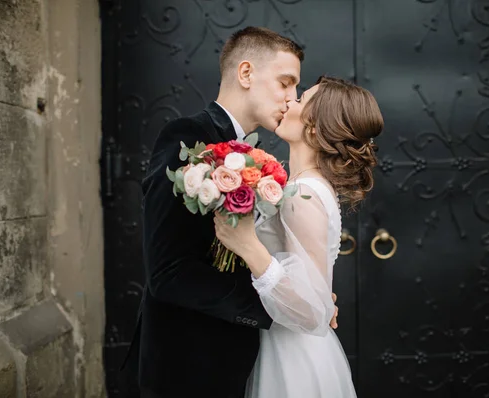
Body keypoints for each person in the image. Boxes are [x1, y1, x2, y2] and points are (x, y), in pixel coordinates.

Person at [119, 27, 337, 398]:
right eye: (285, 83)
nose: (292, 97)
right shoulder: (187, 138)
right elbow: (170, 273)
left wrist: (304, 297)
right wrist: (280, 308)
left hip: (233, 365)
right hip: (186, 367)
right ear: (246, 73)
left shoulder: (254, 157)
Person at [214, 76, 384, 398]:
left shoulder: (302, 194)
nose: (289, 102)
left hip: (292, 353)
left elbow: (309, 311)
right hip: (290, 343)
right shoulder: (307, 186)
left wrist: (249, 248)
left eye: (301, 99)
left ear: (316, 128)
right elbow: (315, 295)